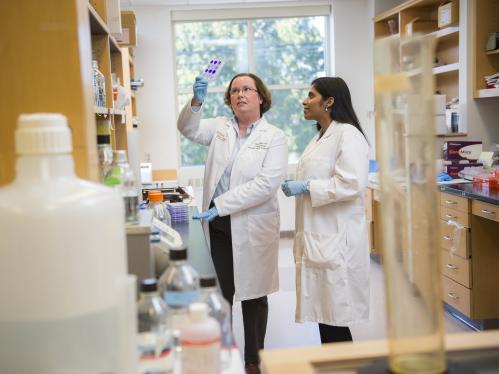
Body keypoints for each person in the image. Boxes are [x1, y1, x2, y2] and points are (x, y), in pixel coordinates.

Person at [177, 73, 288, 373]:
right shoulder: (220, 128)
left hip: (252, 224)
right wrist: (197, 101)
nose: (240, 94)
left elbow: (266, 184)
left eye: (247, 89)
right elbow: (187, 128)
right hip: (219, 226)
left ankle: (253, 361)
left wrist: (222, 206)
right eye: (235, 90)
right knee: (220, 295)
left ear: (260, 97)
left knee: (253, 295)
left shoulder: (273, 136)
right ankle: (221, 354)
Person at [281, 77, 370, 344]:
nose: (304, 101)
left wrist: (307, 186)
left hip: (335, 239)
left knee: (334, 320)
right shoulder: (321, 136)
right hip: (319, 236)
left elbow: (351, 183)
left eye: (311, 96)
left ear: (329, 101)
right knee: (326, 318)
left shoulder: (348, 135)